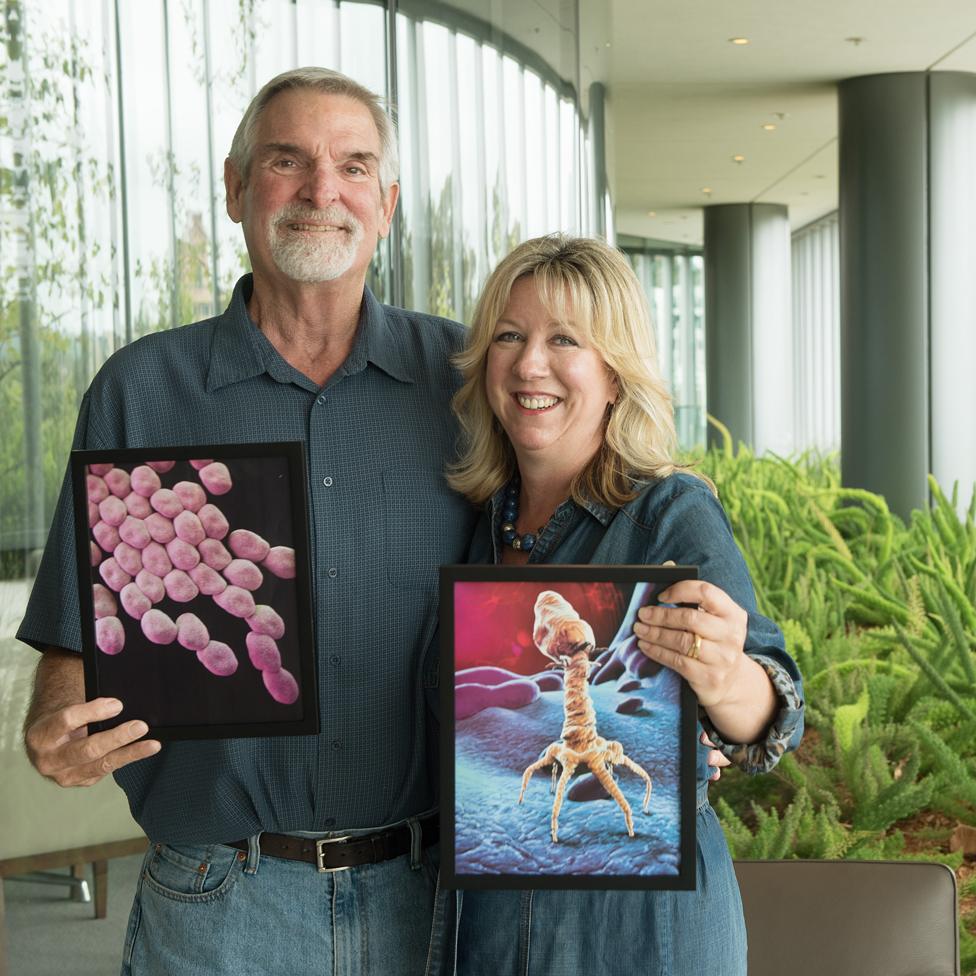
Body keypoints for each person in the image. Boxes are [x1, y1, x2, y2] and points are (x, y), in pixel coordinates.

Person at [17, 67, 477, 976]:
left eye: (353, 166)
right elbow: (78, 641)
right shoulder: (141, 390)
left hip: (435, 901)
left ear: (385, 204)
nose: (321, 190)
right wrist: (58, 725)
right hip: (216, 907)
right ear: (235, 190)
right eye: (287, 161)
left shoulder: (466, 383)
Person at [442, 234, 805, 975]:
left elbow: (774, 711)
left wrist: (730, 679)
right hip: (488, 928)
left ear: (614, 375)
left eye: (564, 339)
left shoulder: (671, 512)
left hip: (643, 929)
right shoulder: (473, 522)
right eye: (509, 336)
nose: (529, 362)